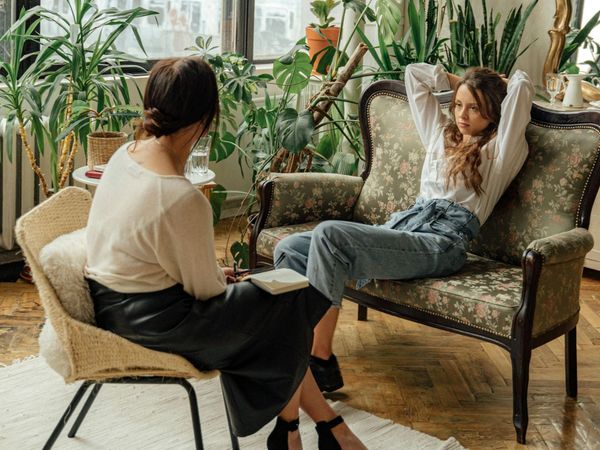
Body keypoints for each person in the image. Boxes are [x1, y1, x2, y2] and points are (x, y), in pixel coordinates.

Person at [85, 56, 367, 450]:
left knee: (282, 305)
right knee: (287, 307)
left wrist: (223, 278)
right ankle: (310, 431)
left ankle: (319, 430)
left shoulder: (123, 155)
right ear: (206, 118)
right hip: (156, 324)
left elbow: (151, 255)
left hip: (110, 306)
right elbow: (207, 293)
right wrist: (225, 278)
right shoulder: (179, 196)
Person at [274, 63, 534, 393]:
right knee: (290, 249)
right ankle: (293, 349)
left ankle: (320, 362)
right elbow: (415, 74)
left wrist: (490, 84)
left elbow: (523, 88)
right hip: (405, 228)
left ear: (494, 112)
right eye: (458, 105)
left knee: (329, 235)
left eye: (474, 108)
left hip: (442, 242)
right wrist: (464, 84)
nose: (462, 115)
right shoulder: (441, 135)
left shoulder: (500, 151)